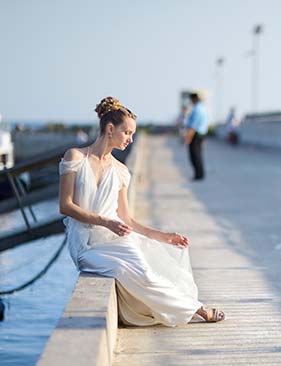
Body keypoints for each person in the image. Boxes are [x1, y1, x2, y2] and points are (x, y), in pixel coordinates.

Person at [59, 96, 224, 326]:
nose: (131, 139)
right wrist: (105, 222)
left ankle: (193, 306)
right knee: (123, 269)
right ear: (109, 128)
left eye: (133, 134)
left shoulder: (121, 171)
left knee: (147, 271)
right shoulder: (75, 157)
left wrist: (164, 236)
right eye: (127, 133)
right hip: (86, 245)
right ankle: (197, 309)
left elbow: (127, 219)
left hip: (116, 239)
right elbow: (65, 206)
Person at [184, 92, 208, 180]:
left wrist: (188, 138)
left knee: (195, 156)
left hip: (195, 135)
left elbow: (193, 126)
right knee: (199, 155)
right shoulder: (203, 108)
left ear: (194, 99)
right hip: (201, 134)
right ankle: (200, 174)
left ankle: (198, 175)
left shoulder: (197, 109)